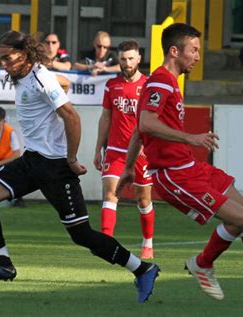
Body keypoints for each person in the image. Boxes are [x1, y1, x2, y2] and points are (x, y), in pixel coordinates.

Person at [118, 23, 243, 301]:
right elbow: (147, 123)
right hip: (173, 175)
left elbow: (141, 130)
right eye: (194, 50)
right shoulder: (161, 80)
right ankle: (203, 263)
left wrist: (128, 168)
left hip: (190, 168)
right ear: (175, 51)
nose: (198, 56)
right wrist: (191, 138)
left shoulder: (167, 81)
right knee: (241, 217)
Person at [0, 30, 159, 303]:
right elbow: (64, 82)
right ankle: (3, 262)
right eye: (1, 60)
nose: (4, 65)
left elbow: (72, 117)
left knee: (82, 235)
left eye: (8, 59)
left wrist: (70, 158)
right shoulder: (30, 76)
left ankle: (143, 268)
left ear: (23, 54)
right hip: (31, 161)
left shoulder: (39, 78)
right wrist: (62, 84)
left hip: (55, 167)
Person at [93, 40, 155, 259]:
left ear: (139, 58)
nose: (127, 63)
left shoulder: (149, 86)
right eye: (123, 59)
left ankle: (148, 242)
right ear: (118, 60)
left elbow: (154, 121)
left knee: (143, 199)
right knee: (110, 194)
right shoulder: (112, 85)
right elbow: (106, 117)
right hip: (116, 150)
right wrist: (98, 147)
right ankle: (106, 244)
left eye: (131, 59)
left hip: (141, 153)